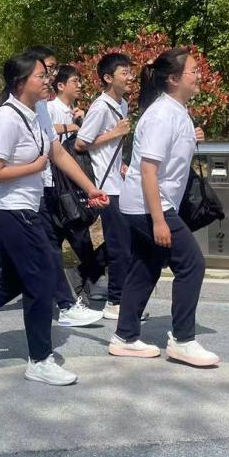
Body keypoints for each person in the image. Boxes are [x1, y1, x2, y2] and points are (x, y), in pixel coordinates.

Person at [0, 52, 109, 385]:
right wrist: (34, 167)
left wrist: (90, 187)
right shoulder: (6, 117)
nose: (48, 81)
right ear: (20, 82)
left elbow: (56, 152)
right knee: (42, 278)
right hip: (9, 209)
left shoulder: (39, 110)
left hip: (31, 207)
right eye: (41, 76)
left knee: (13, 279)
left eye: (48, 75)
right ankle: (40, 359)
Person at [111, 47, 217, 367]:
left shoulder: (177, 111)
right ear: (173, 79)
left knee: (146, 265)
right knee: (191, 264)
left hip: (150, 203)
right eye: (193, 71)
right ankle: (183, 340)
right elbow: (148, 170)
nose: (199, 76)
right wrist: (159, 220)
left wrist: (193, 137)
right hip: (149, 205)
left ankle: (125, 337)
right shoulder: (161, 115)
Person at [44, 62, 105, 326]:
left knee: (68, 235)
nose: (79, 85)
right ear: (60, 85)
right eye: (74, 81)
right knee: (75, 233)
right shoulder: (50, 108)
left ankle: (80, 286)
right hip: (56, 183)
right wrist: (72, 126)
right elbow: (49, 135)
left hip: (71, 180)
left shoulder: (73, 111)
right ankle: (83, 287)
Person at [78, 52, 135, 319]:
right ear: (108, 78)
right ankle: (116, 302)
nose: (130, 77)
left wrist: (121, 163)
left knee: (124, 239)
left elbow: (111, 146)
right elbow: (81, 143)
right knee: (120, 243)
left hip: (117, 181)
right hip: (103, 184)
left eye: (130, 72)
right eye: (125, 73)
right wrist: (114, 133)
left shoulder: (122, 104)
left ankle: (85, 274)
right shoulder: (100, 107)